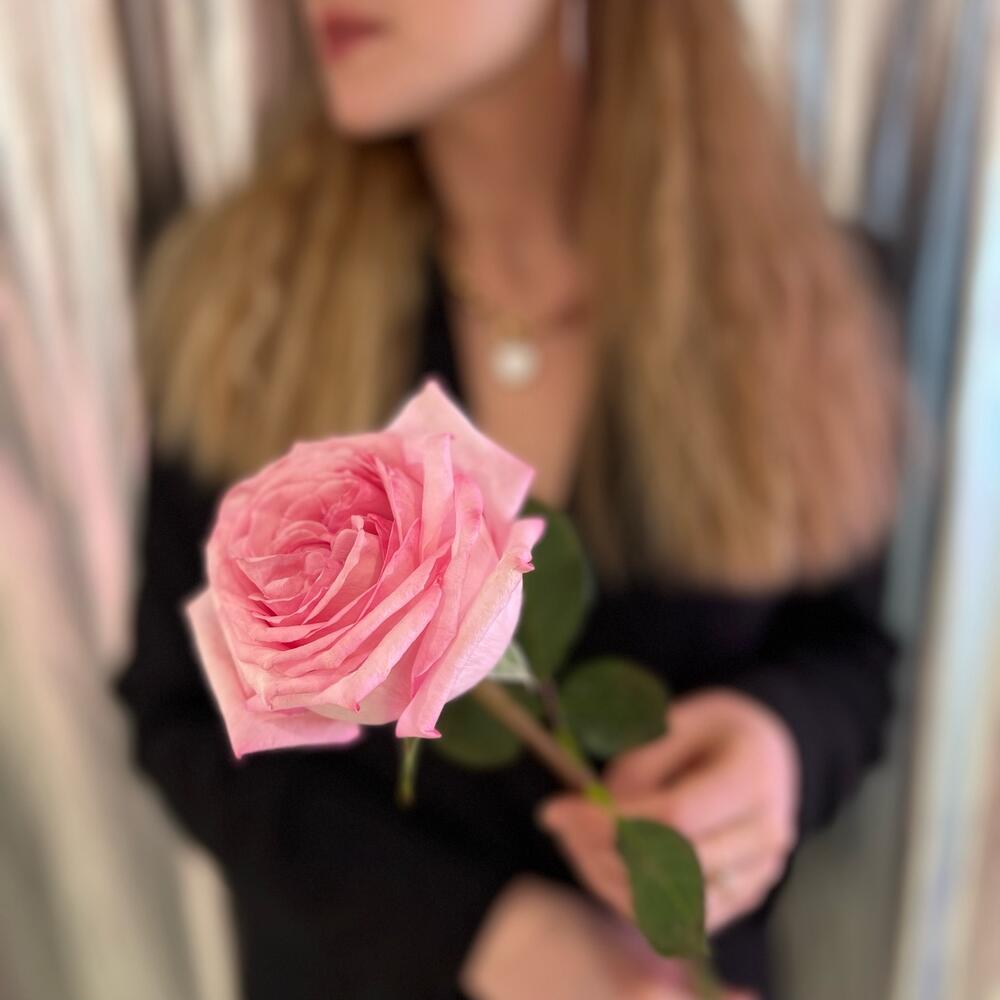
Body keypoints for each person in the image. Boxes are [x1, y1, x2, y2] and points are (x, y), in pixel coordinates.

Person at [116, 1, 902, 997]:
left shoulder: (804, 302)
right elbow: (179, 711)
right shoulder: (241, 308)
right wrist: (480, 931)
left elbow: (847, 653)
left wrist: (778, 745)